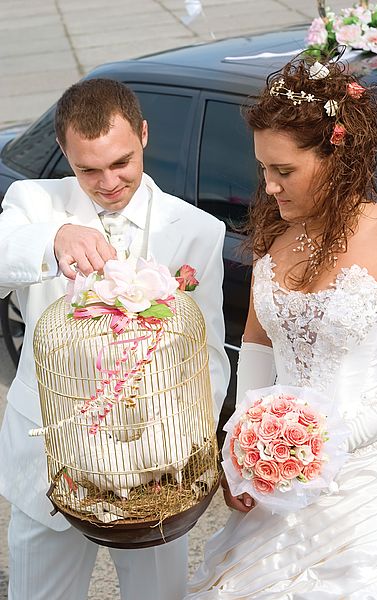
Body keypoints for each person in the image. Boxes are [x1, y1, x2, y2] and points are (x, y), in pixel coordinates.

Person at [0, 78, 230, 600]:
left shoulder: (199, 230)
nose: (108, 182)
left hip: (156, 463)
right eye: (88, 169)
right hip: (52, 463)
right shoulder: (34, 201)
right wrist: (53, 238)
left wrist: (184, 449)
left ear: (144, 134)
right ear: (65, 152)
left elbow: (209, 352)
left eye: (121, 162)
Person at [186, 55, 377, 598]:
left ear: (337, 157)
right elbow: (257, 344)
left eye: (284, 171)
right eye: (264, 169)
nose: (270, 186)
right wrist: (246, 453)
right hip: (281, 482)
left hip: (371, 480)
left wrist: (337, 438)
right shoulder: (275, 239)